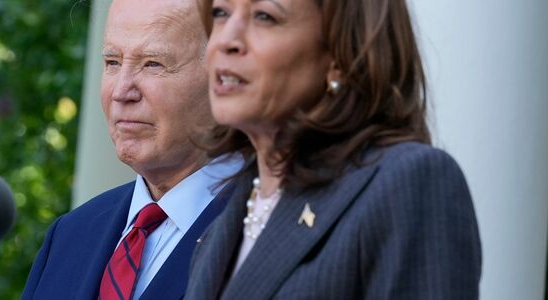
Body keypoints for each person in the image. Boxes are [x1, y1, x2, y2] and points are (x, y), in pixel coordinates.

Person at [185, 0, 482, 299]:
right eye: (220, 13)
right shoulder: (225, 220)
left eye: (265, 16)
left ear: (340, 56)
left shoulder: (410, 183)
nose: (226, 40)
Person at [22, 0, 242, 299]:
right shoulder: (70, 235)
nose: (121, 91)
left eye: (153, 63)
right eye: (112, 62)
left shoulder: (272, 234)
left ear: (228, 77)